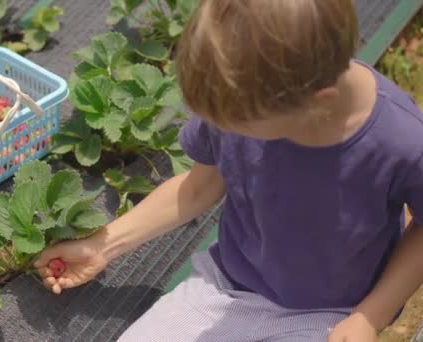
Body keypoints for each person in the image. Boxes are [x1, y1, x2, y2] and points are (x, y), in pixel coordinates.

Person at [34, 0, 423, 340]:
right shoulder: (243, 95)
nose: (228, 129)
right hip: (225, 287)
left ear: (316, 102)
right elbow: (199, 187)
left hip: (332, 312)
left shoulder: (401, 141)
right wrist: (103, 244)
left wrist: (371, 316)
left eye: (241, 126)